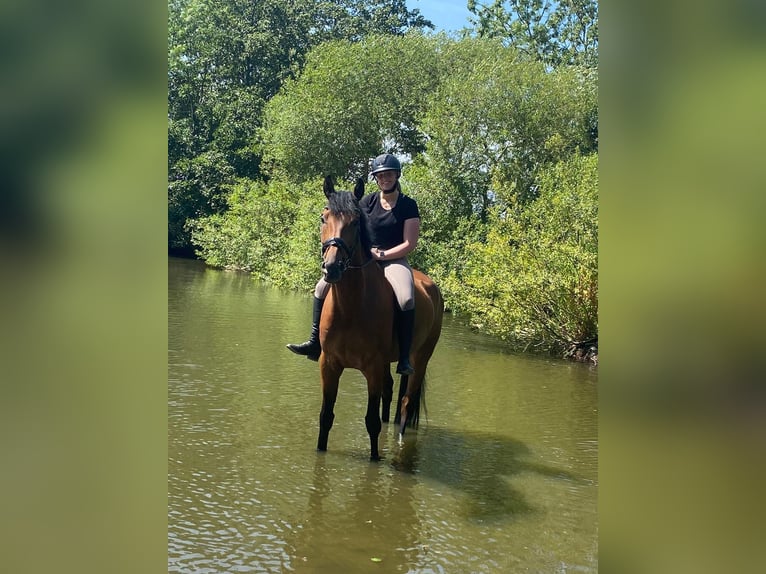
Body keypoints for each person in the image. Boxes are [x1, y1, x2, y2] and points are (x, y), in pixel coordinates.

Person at [286, 153, 420, 375]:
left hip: (393, 259)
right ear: (376, 178)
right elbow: (352, 230)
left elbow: (409, 243)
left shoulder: (408, 205)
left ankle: (404, 357)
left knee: (406, 298)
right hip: (364, 260)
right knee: (320, 288)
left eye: (389, 174)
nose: (385, 178)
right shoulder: (367, 202)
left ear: (397, 175)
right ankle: (314, 342)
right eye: (380, 175)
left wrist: (384, 254)